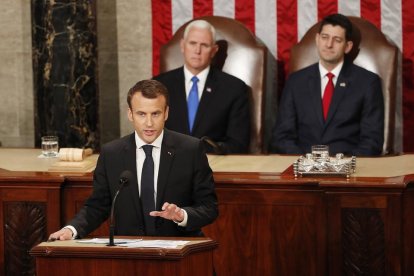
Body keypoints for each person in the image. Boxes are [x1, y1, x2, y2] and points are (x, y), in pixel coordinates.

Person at [49, 79, 218, 240]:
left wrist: (182, 215)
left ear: (166, 113)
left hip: (179, 254)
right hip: (130, 255)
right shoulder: (111, 153)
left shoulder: (190, 150)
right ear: (130, 114)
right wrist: (70, 230)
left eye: (156, 113)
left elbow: (209, 207)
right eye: (141, 114)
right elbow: (98, 205)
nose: (149, 123)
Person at [269, 13, 384, 156]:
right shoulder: (296, 81)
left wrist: (341, 163)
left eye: (337, 40)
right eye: (325, 37)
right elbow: (282, 137)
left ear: (347, 46)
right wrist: (304, 161)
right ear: (317, 40)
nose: (329, 45)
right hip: (303, 168)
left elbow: (372, 141)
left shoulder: (367, 82)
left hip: (348, 170)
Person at [153, 19, 250, 154]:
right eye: (192, 43)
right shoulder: (159, 86)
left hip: (213, 166)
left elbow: (238, 143)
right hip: (168, 164)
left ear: (214, 50)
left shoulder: (234, 88)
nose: (197, 50)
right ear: (182, 45)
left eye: (204, 45)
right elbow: (150, 134)